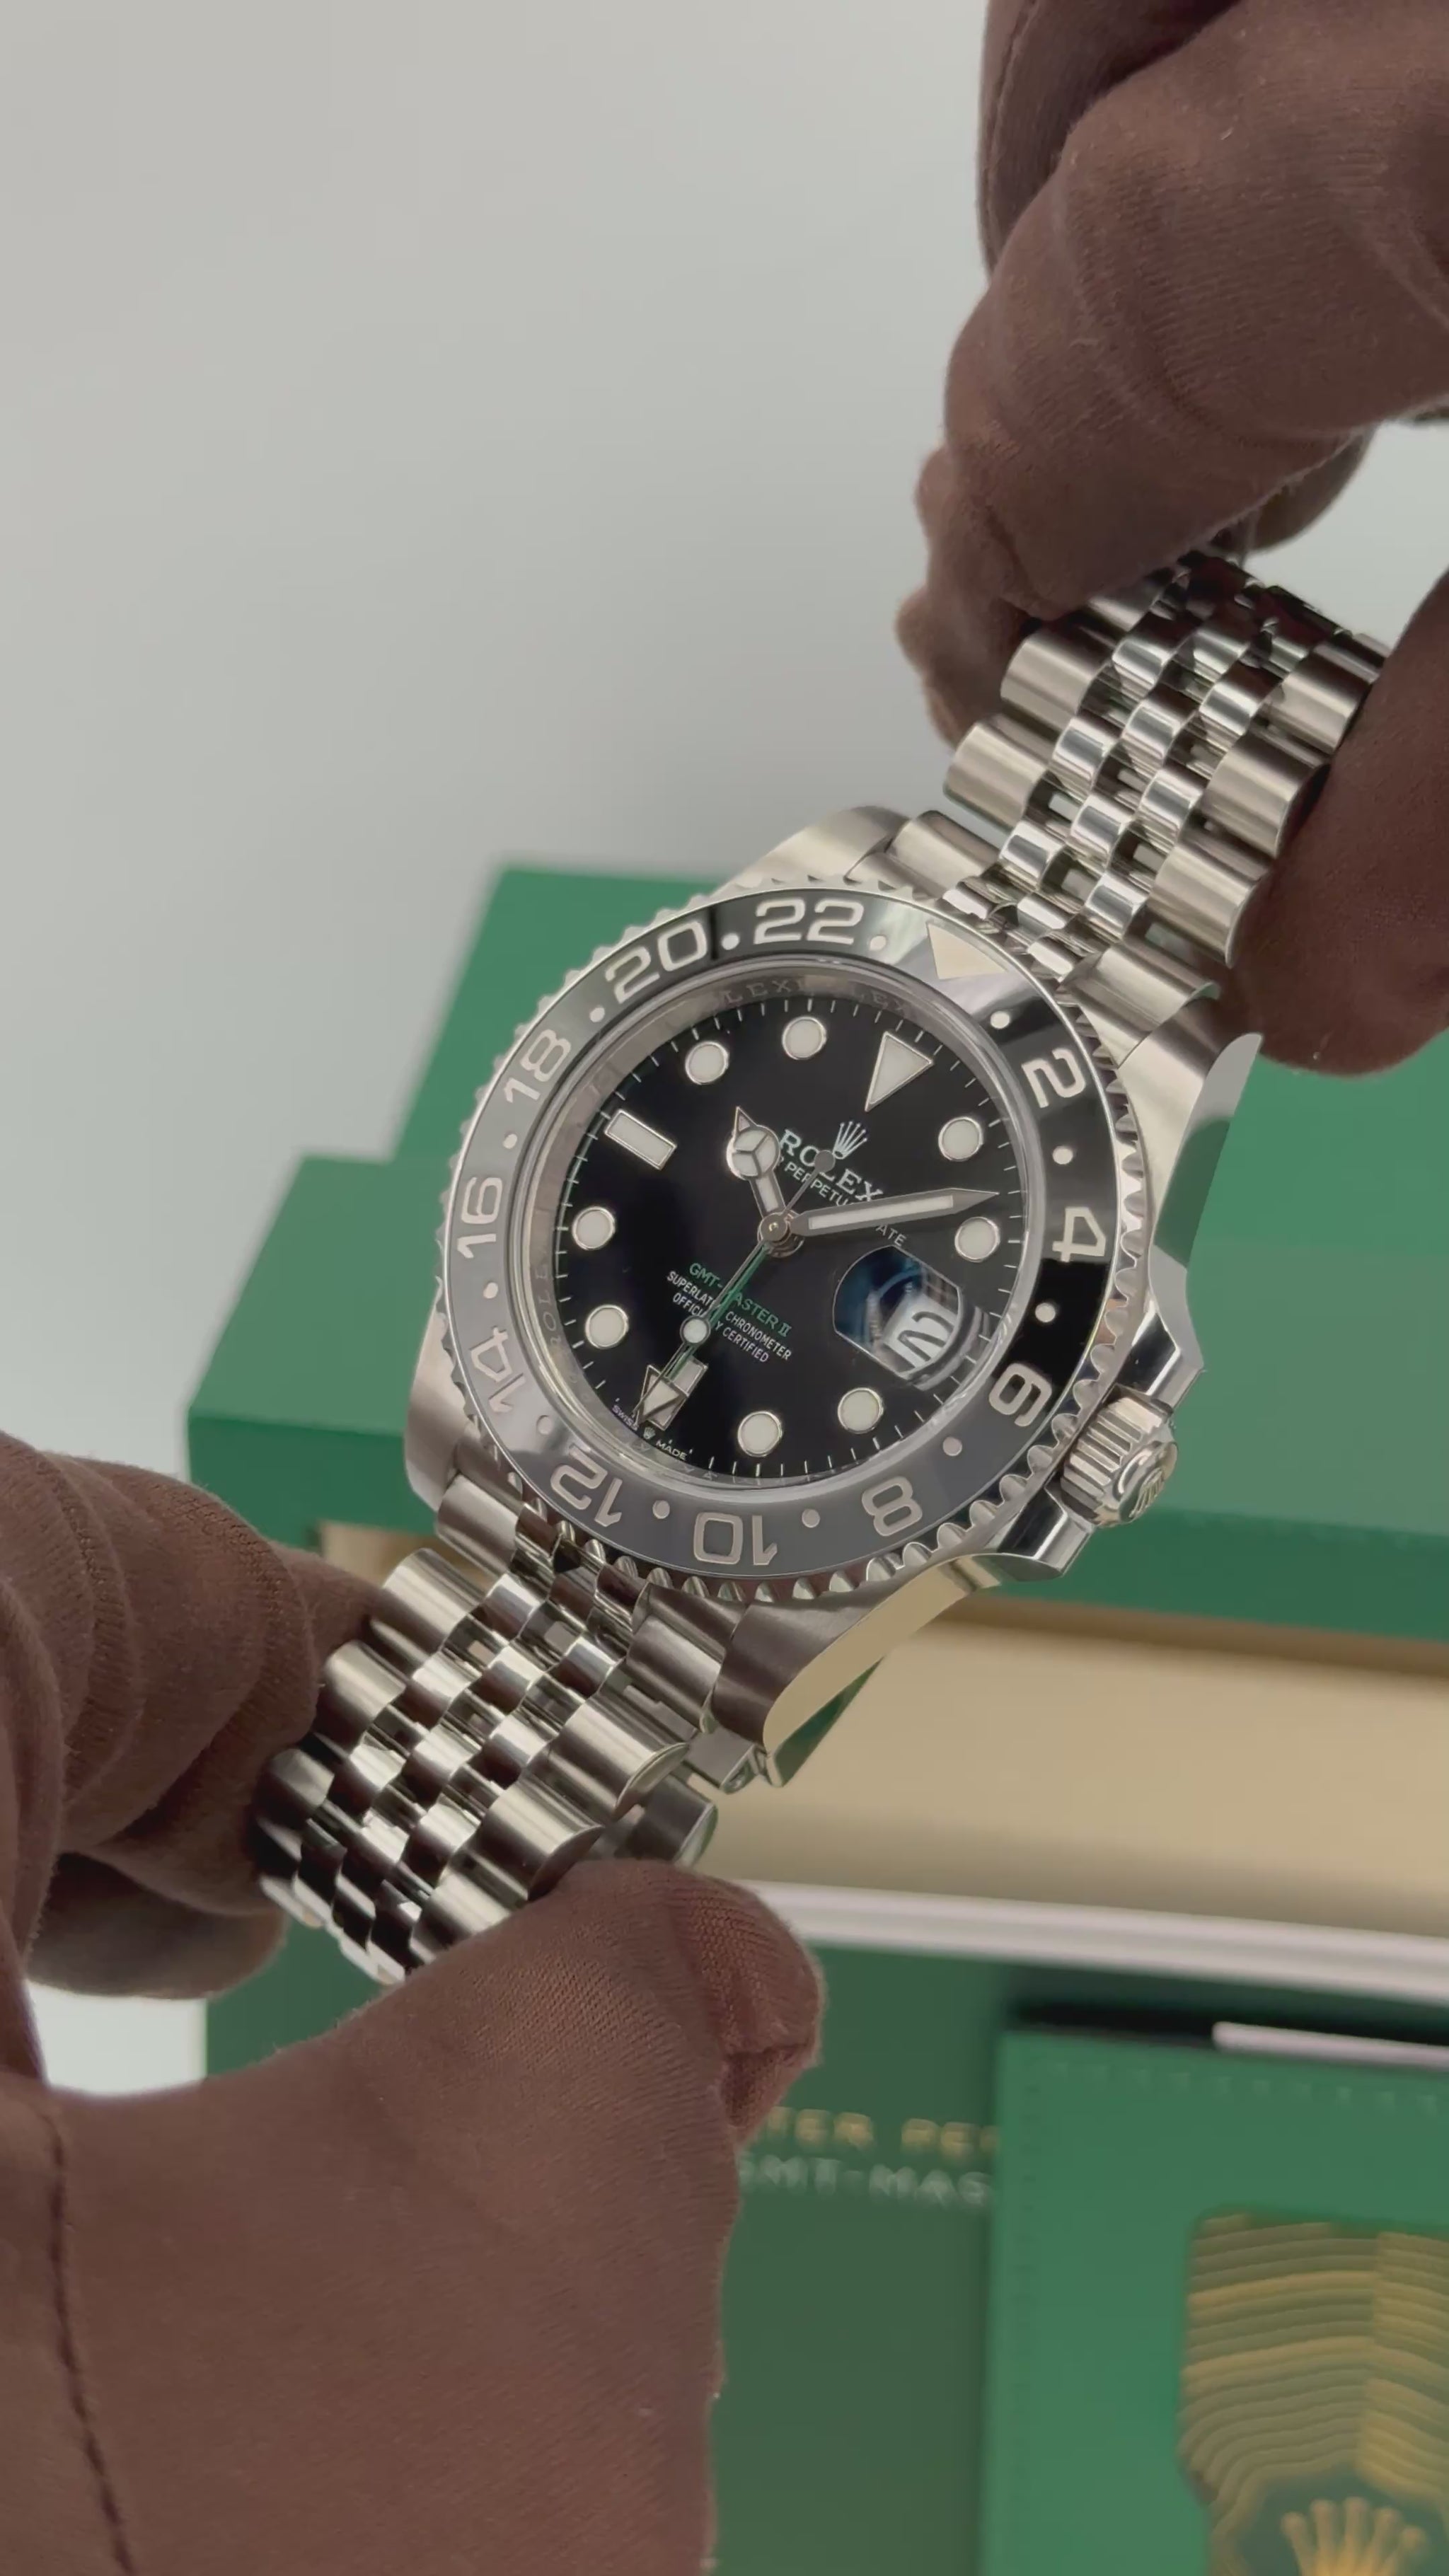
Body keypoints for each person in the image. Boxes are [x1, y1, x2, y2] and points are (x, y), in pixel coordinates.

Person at [3, 4, 1445, 2568]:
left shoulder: (1073, 1184)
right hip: (585, 1485)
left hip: (696, 1549)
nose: (777, 1225)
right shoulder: (798, 948)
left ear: (1081, 1430)